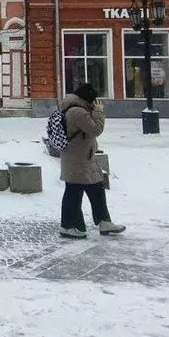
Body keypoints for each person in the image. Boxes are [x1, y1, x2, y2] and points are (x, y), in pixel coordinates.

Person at [59, 83, 125, 239]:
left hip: (84, 158)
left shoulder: (77, 108)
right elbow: (95, 130)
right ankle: (68, 226)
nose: (95, 102)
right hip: (78, 159)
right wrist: (99, 112)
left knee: (96, 189)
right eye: (94, 99)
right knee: (74, 192)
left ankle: (104, 222)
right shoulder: (77, 112)